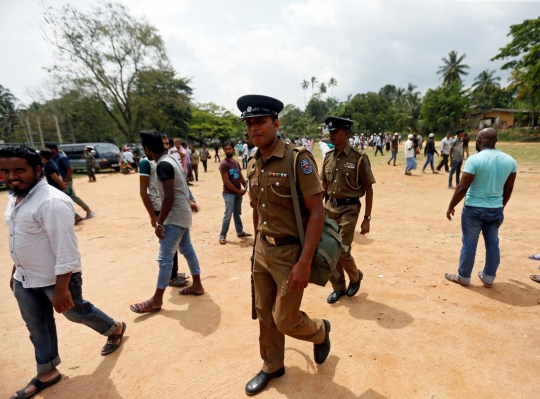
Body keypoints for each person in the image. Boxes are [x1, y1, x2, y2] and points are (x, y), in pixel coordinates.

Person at [0, 146, 126, 399]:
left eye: (19, 170)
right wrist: (17, 272)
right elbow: (21, 239)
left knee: (76, 313)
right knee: (36, 326)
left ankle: (114, 328)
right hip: (25, 277)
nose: (11, 176)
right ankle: (47, 371)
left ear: (37, 170)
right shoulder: (15, 196)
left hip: (55, 279)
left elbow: (67, 251)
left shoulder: (52, 202)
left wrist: (61, 290)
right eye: (4, 171)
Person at [240, 94, 331, 395]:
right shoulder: (253, 163)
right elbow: (256, 207)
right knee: (264, 311)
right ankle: (272, 365)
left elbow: (317, 211)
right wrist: (256, 247)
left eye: (260, 122)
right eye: (250, 124)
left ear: (276, 123)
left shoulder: (297, 160)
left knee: (285, 319)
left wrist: (304, 262)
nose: (254, 129)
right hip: (263, 251)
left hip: (291, 253)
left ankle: (319, 331)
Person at [130, 131, 204, 314]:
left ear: (147, 149)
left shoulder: (163, 165)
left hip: (175, 217)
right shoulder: (171, 160)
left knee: (165, 258)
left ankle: (156, 301)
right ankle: (197, 285)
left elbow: (169, 197)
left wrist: (160, 222)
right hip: (182, 215)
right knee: (187, 249)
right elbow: (182, 188)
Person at [444, 128, 517, 288]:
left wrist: (451, 206)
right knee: (492, 243)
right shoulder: (510, 161)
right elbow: (509, 188)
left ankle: (464, 276)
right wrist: (500, 206)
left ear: (478, 141)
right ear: (496, 141)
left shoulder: (474, 160)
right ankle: (489, 277)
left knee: (469, 243)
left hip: (473, 209)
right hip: (496, 209)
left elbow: (462, 187)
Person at [322, 116, 375, 304]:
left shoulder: (359, 158)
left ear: (346, 133)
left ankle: (355, 277)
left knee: (342, 249)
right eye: (330, 132)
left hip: (349, 209)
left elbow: (369, 188)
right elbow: (324, 185)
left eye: (335, 132)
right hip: (329, 208)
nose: (331, 136)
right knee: (328, 250)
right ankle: (338, 287)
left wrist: (367, 217)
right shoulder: (328, 157)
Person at [138, 133, 190, 288]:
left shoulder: (166, 160)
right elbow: (143, 190)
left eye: (168, 143)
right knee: (168, 246)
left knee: (176, 244)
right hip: (160, 208)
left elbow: (178, 185)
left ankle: (173, 274)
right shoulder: (146, 163)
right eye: (164, 143)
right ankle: (170, 278)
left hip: (169, 207)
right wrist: (152, 216)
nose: (166, 146)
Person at [45, 144, 95, 219]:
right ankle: (77, 215)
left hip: (66, 181)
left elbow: (70, 169)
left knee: (71, 196)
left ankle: (87, 211)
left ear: (53, 149)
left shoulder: (62, 158)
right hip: (59, 182)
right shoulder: (52, 159)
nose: (46, 151)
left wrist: (64, 181)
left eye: (47, 149)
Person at [218, 141, 252, 245]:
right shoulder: (224, 164)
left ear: (233, 149)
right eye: (226, 149)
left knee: (237, 213)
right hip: (229, 193)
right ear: (224, 151)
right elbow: (226, 182)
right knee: (228, 214)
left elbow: (240, 177)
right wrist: (238, 191)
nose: (228, 150)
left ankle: (240, 231)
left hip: (238, 193)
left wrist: (245, 188)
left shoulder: (236, 163)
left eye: (230, 148)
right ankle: (222, 235)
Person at [40, 149, 84, 225]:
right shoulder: (52, 163)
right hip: (57, 187)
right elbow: (59, 175)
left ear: (41, 156)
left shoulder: (48, 166)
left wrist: (62, 185)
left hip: (55, 188)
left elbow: (55, 177)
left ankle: (76, 216)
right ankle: (75, 216)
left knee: (59, 205)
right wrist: (63, 184)